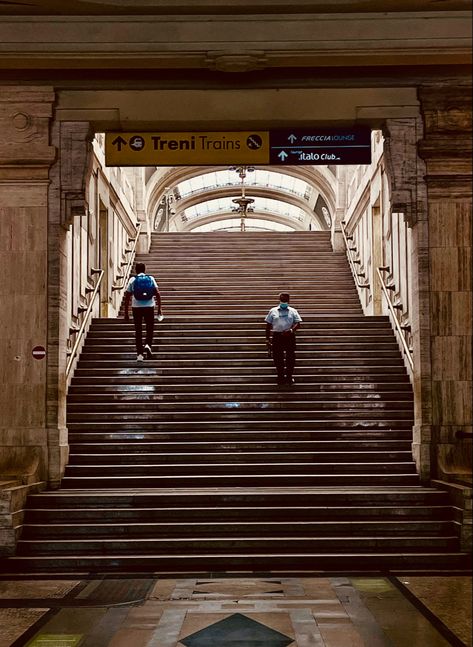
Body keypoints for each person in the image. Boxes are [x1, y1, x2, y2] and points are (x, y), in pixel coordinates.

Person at [124, 262, 162, 361]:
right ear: (144, 270)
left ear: (136, 270)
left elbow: (127, 296)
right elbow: (157, 293)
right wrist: (159, 308)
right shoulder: (151, 278)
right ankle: (148, 345)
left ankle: (140, 354)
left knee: (138, 331)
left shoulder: (132, 280)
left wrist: (126, 313)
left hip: (136, 308)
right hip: (149, 306)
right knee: (150, 328)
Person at [265, 292, 302, 385]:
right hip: (277, 336)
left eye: (285, 300)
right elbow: (268, 325)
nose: (283, 302)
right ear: (279, 300)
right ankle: (280, 376)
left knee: (290, 357)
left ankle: (289, 377)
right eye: (282, 300)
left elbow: (298, 323)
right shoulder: (273, 311)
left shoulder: (293, 311)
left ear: (288, 301)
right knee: (278, 357)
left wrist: (291, 330)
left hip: (289, 336)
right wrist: (267, 339)